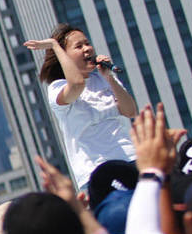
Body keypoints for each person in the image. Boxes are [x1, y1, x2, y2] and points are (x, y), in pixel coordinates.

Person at [25, 23, 138, 191]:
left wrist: (110, 79)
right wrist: (55, 45)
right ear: (64, 56)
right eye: (79, 46)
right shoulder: (57, 88)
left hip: (129, 158)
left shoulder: (102, 78)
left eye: (87, 43)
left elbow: (130, 111)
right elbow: (77, 84)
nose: (87, 49)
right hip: (96, 171)